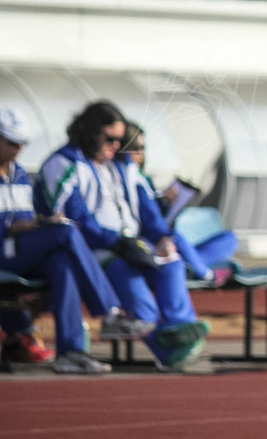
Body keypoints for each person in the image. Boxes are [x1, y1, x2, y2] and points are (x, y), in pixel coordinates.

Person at [33, 101, 210, 372]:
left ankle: (179, 329)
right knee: (128, 274)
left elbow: (148, 211)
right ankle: (166, 346)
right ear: (90, 133)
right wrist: (116, 241)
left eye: (120, 140)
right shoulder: (64, 164)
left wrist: (162, 237)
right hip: (95, 250)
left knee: (172, 262)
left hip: (130, 243)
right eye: (110, 139)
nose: (117, 145)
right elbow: (76, 219)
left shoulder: (121, 166)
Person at [0, 106, 153, 375]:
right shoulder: (61, 164)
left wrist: (39, 224)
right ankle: (109, 313)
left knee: (64, 263)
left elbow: (27, 218)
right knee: (69, 232)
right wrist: (18, 226)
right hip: (6, 249)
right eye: (12, 142)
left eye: (23, 142)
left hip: (22, 250)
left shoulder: (20, 175)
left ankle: (71, 352)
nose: (19, 148)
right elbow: (14, 224)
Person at [121, 121, 238, 286]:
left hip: (165, 241)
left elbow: (153, 216)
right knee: (175, 239)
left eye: (143, 148)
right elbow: (150, 223)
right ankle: (206, 274)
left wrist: (167, 204)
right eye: (135, 148)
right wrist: (164, 230)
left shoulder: (140, 178)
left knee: (230, 239)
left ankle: (191, 265)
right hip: (151, 243)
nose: (140, 153)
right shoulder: (129, 179)